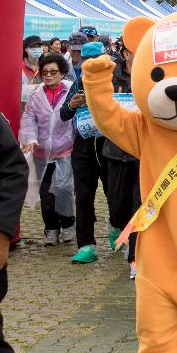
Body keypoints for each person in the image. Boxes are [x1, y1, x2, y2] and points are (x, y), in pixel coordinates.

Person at [59, 40, 109, 265]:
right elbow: (63, 114)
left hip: (112, 146)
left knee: (116, 194)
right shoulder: (78, 83)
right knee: (84, 195)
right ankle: (87, 245)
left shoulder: (116, 81)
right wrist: (72, 104)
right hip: (83, 146)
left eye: (97, 62)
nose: (92, 68)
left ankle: (118, 226)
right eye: (88, 64)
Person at [19, 52, 76, 245]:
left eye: (53, 72)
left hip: (65, 149)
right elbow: (28, 119)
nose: (49, 76)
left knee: (64, 189)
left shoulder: (71, 92)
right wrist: (30, 138)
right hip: (42, 152)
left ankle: (68, 224)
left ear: (62, 73)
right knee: (46, 193)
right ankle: (51, 228)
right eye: (45, 72)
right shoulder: (36, 94)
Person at [102, 40, 141, 280]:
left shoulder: (152, 77)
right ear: (126, 53)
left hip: (141, 153)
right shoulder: (112, 77)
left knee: (140, 204)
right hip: (115, 151)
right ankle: (118, 225)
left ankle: (135, 257)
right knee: (117, 206)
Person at [21, 35, 43, 108]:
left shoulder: (45, 66)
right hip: (25, 108)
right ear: (26, 49)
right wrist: (35, 88)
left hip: (42, 108)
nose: (37, 49)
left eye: (39, 46)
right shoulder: (20, 67)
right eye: (33, 47)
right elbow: (18, 91)